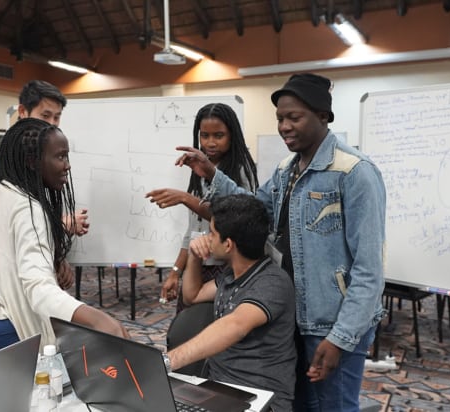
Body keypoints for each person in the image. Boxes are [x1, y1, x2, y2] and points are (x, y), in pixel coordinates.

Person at [174, 73, 386, 411]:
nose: (285, 126)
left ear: (323, 116)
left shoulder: (354, 172)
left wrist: (340, 337)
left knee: (335, 407)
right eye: (280, 119)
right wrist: (213, 174)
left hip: (333, 322)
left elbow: (369, 269)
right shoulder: (288, 168)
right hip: (296, 318)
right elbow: (254, 209)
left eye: (294, 117)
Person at [0, 118, 129, 355]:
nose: (67, 166)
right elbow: (38, 288)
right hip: (5, 324)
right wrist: (98, 319)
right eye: (60, 157)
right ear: (32, 161)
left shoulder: (2, 192)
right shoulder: (27, 207)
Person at [164, 194, 296, 412]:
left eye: (212, 233)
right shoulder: (230, 275)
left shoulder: (272, 282)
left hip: (261, 400)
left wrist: (168, 361)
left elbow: (235, 325)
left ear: (228, 244)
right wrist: (195, 257)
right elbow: (192, 296)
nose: (207, 237)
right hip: (218, 390)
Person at [146, 103, 258, 312]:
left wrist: (186, 198)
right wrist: (175, 272)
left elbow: (234, 219)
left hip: (227, 266)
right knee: (187, 326)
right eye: (204, 136)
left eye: (219, 135)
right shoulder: (198, 170)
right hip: (197, 264)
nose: (210, 143)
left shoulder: (241, 169)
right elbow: (193, 231)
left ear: (232, 135)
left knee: (215, 331)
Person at [17, 80, 89, 237]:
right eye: (45, 115)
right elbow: (24, 228)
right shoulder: (13, 159)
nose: (52, 124)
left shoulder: (44, 150)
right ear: (23, 112)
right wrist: (62, 225)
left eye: (56, 117)